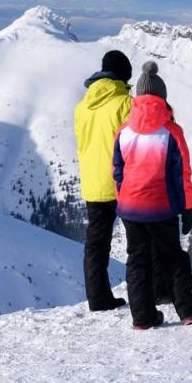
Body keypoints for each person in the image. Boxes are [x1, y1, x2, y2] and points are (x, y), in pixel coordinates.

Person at [113, 61, 192, 329]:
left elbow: (117, 172)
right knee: (174, 258)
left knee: (137, 260)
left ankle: (142, 317)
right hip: (161, 207)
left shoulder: (123, 131)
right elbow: (183, 176)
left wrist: (123, 198)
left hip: (130, 208)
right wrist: (187, 208)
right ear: (162, 98)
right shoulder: (171, 132)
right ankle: (189, 310)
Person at [74, 50, 133, 311]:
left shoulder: (82, 106)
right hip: (123, 182)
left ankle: (98, 299)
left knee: (96, 245)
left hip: (92, 182)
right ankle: (146, 292)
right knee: (140, 241)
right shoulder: (125, 104)